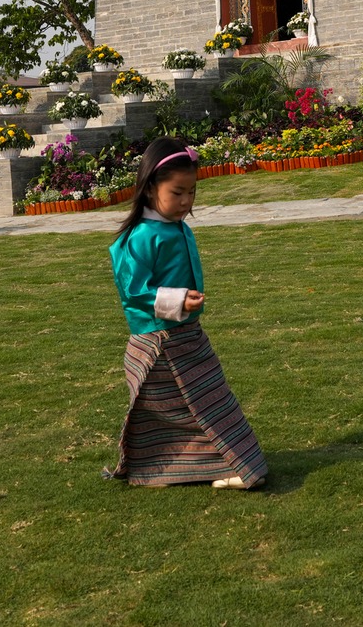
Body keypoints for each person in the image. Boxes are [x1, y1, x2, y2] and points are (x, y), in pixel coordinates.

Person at [103, 138, 267, 490]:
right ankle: (227, 465)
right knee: (198, 405)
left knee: (206, 400)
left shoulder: (176, 228)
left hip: (187, 337)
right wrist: (177, 302)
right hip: (160, 344)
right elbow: (133, 291)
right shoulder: (140, 237)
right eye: (177, 192)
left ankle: (164, 469)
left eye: (192, 192)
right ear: (149, 189)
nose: (186, 201)